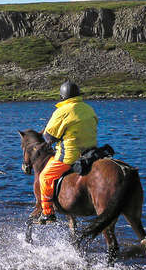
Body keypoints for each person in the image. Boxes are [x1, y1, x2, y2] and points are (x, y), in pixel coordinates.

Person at [37, 81, 98, 224]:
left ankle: (47, 213)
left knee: (45, 177)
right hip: (92, 153)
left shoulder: (61, 111)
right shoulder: (89, 109)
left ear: (62, 97)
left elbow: (49, 137)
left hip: (70, 155)